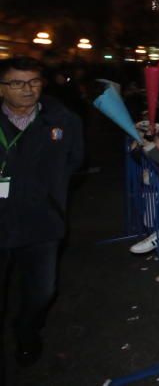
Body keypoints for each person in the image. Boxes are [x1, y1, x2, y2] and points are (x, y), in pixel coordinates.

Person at [0, 57, 83, 370]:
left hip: (42, 222)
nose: (27, 89)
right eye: (17, 83)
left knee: (42, 291)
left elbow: (76, 161)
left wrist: (49, 192)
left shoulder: (62, 120)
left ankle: (26, 331)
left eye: (33, 82)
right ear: (2, 88)